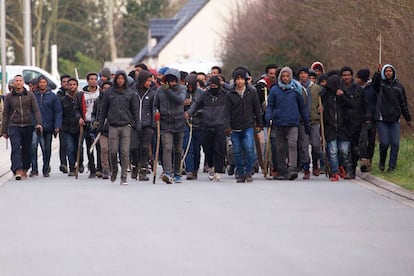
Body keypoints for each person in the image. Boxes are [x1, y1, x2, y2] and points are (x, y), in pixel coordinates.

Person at [265, 67, 309, 181]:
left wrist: (306, 121)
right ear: (280, 77)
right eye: (283, 76)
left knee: (292, 145)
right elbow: (270, 105)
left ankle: (292, 169)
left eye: (287, 76)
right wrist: (268, 117)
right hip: (279, 123)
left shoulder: (296, 90)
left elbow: (302, 107)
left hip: (293, 123)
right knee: (280, 148)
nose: (285, 78)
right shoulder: (275, 90)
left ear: (290, 77)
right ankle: (282, 170)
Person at [99, 70, 140, 186]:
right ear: (115, 79)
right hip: (113, 125)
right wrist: (100, 124)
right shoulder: (109, 93)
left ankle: (124, 176)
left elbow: (135, 111)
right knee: (112, 151)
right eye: (118, 78)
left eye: (122, 79)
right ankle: (114, 169)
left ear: (125, 80)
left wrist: (137, 124)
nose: (120, 80)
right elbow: (103, 110)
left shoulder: (130, 93)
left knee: (125, 152)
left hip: (126, 125)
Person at [186, 76, 227, 181]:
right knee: (207, 149)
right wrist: (189, 113)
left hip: (220, 125)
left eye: (215, 86)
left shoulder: (225, 95)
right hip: (206, 125)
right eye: (211, 86)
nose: (213, 87)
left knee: (219, 149)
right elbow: (196, 105)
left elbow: (232, 88)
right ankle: (211, 166)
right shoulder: (205, 95)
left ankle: (218, 170)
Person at [1, 75, 42, 180]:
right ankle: (17, 169)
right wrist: (4, 130)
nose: (18, 82)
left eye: (20, 80)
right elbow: (5, 114)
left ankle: (25, 168)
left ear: (23, 82)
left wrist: (38, 123)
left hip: (28, 125)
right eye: (16, 81)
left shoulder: (30, 95)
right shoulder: (9, 97)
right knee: (16, 148)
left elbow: (36, 110)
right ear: (14, 83)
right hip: (14, 125)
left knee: (27, 149)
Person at [225, 68, 263, 183]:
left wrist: (259, 124)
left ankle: (249, 172)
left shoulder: (251, 93)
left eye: (242, 79)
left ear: (245, 80)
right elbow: (227, 112)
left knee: (249, 148)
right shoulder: (230, 95)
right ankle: (240, 173)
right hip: (234, 127)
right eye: (238, 79)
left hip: (248, 126)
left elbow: (257, 109)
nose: (240, 82)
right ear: (234, 81)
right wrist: (227, 126)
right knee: (236, 151)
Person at [372, 64, 411, 172]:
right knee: (384, 143)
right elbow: (374, 83)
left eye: (390, 71)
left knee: (395, 144)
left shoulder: (399, 86)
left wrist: (408, 118)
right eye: (386, 71)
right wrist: (377, 73)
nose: (388, 73)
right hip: (382, 118)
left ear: (393, 72)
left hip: (395, 119)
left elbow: (403, 103)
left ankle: (392, 166)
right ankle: (382, 162)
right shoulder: (380, 85)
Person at [153, 68, 186, 184]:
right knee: (167, 147)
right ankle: (167, 172)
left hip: (179, 122)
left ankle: (177, 172)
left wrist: (168, 90)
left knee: (177, 149)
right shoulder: (159, 91)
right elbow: (155, 105)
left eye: (174, 81)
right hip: (165, 123)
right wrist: (156, 112)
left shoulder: (182, 89)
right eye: (169, 80)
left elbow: (179, 100)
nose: (172, 83)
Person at [319, 75, 352, 181]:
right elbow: (318, 107)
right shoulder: (324, 95)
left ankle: (342, 166)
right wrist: (319, 110)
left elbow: (351, 105)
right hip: (330, 127)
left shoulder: (345, 93)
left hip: (343, 127)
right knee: (333, 151)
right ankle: (335, 172)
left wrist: (342, 96)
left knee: (344, 150)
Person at [30, 76, 62, 177]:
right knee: (33, 146)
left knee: (46, 148)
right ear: (38, 84)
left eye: (44, 82)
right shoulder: (33, 96)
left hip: (48, 126)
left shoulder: (53, 96)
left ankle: (46, 167)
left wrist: (57, 125)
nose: (42, 84)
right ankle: (34, 169)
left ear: (46, 84)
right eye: (41, 82)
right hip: (35, 126)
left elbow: (58, 111)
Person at [130, 70, 156, 181]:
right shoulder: (132, 92)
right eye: (148, 80)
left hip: (147, 125)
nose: (150, 82)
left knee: (145, 148)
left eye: (151, 80)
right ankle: (135, 165)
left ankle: (143, 171)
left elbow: (153, 109)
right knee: (134, 147)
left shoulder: (151, 93)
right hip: (134, 125)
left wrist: (153, 125)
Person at [297, 66, 321, 179]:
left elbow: (323, 101)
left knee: (316, 145)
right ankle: (306, 168)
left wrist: (322, 108)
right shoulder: (296, 88)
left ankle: (315, 163)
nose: (303, 75)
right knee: (303, 146)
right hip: (302, 121)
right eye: (301, 73)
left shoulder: (316, 88)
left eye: (305, 73)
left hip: (314, 120)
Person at [340, 66, 364, 178]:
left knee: (354, 149)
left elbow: (355, 105)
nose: (346, 77)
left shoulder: (358, 89)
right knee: (345, 149)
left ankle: (352, 170)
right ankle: (347, 169)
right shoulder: (338, 89)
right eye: (344, 75)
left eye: (348, 75)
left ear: (352, 76)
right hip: (343, 124)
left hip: (356, 123)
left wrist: (343, 97)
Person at [60, 78, 85, 176]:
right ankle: (72, 168)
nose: (72, 86)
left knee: (78, 147)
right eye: (70, 84)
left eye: (74, 84)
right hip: (67, 128)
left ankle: (80, 163)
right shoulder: (63, 100)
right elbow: (60, 114)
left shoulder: (81, 97)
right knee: (69, 148)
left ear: (77, 85)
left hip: (79, 127)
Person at [182, 74, 203, 180]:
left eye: (191, 85)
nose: (189, 87)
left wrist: (195, 112)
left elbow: (205, 108)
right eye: (188, 85)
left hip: (198, 124)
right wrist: (183, 105)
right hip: (186, 124)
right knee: (187, 147)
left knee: (196, 149)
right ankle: (189, 170)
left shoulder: (201, 93)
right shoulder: (183, 93)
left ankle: (195, 169)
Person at [355, 69, 376, 172]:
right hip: (360, 118)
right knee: (362, 140)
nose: (356, 79)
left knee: (371, 141)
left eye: (358, 77)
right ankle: (363, 160)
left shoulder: (372, 88)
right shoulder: (356, 88)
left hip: (372, 118)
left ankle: (369, 160)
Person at [91, 81, 112, 179]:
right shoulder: (98, 101)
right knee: (104, 149)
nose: (107, 90)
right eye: (105, 88)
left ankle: (113, 167)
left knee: (113, 150)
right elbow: (94, 114)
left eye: (109, 88)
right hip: (102, 130)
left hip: (114, 128)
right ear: (101, 89)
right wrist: (94, 122)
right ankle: (105, 169)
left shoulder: (116, 100)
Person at [82, 72, 101, 178]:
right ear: (88, 81)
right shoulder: (82, 94)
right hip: (87, 122)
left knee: (99, 146)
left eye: (95, 79)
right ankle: (92, 168)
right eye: (91, 79)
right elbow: (78, 108)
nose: (93, 81)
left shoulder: (100, 93)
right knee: (89, 147)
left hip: (97, 122)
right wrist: (80, 118)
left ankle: (99, 168)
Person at [57, 74, 71, 173]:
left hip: (74, 122)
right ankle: (63, 163)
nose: (66, 84)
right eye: (64, 82)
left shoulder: (76, 94)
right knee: (63, 144)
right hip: (62, 122)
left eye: (68, 82)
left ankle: (74, 163)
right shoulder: (59, 95)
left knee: (73, 145)